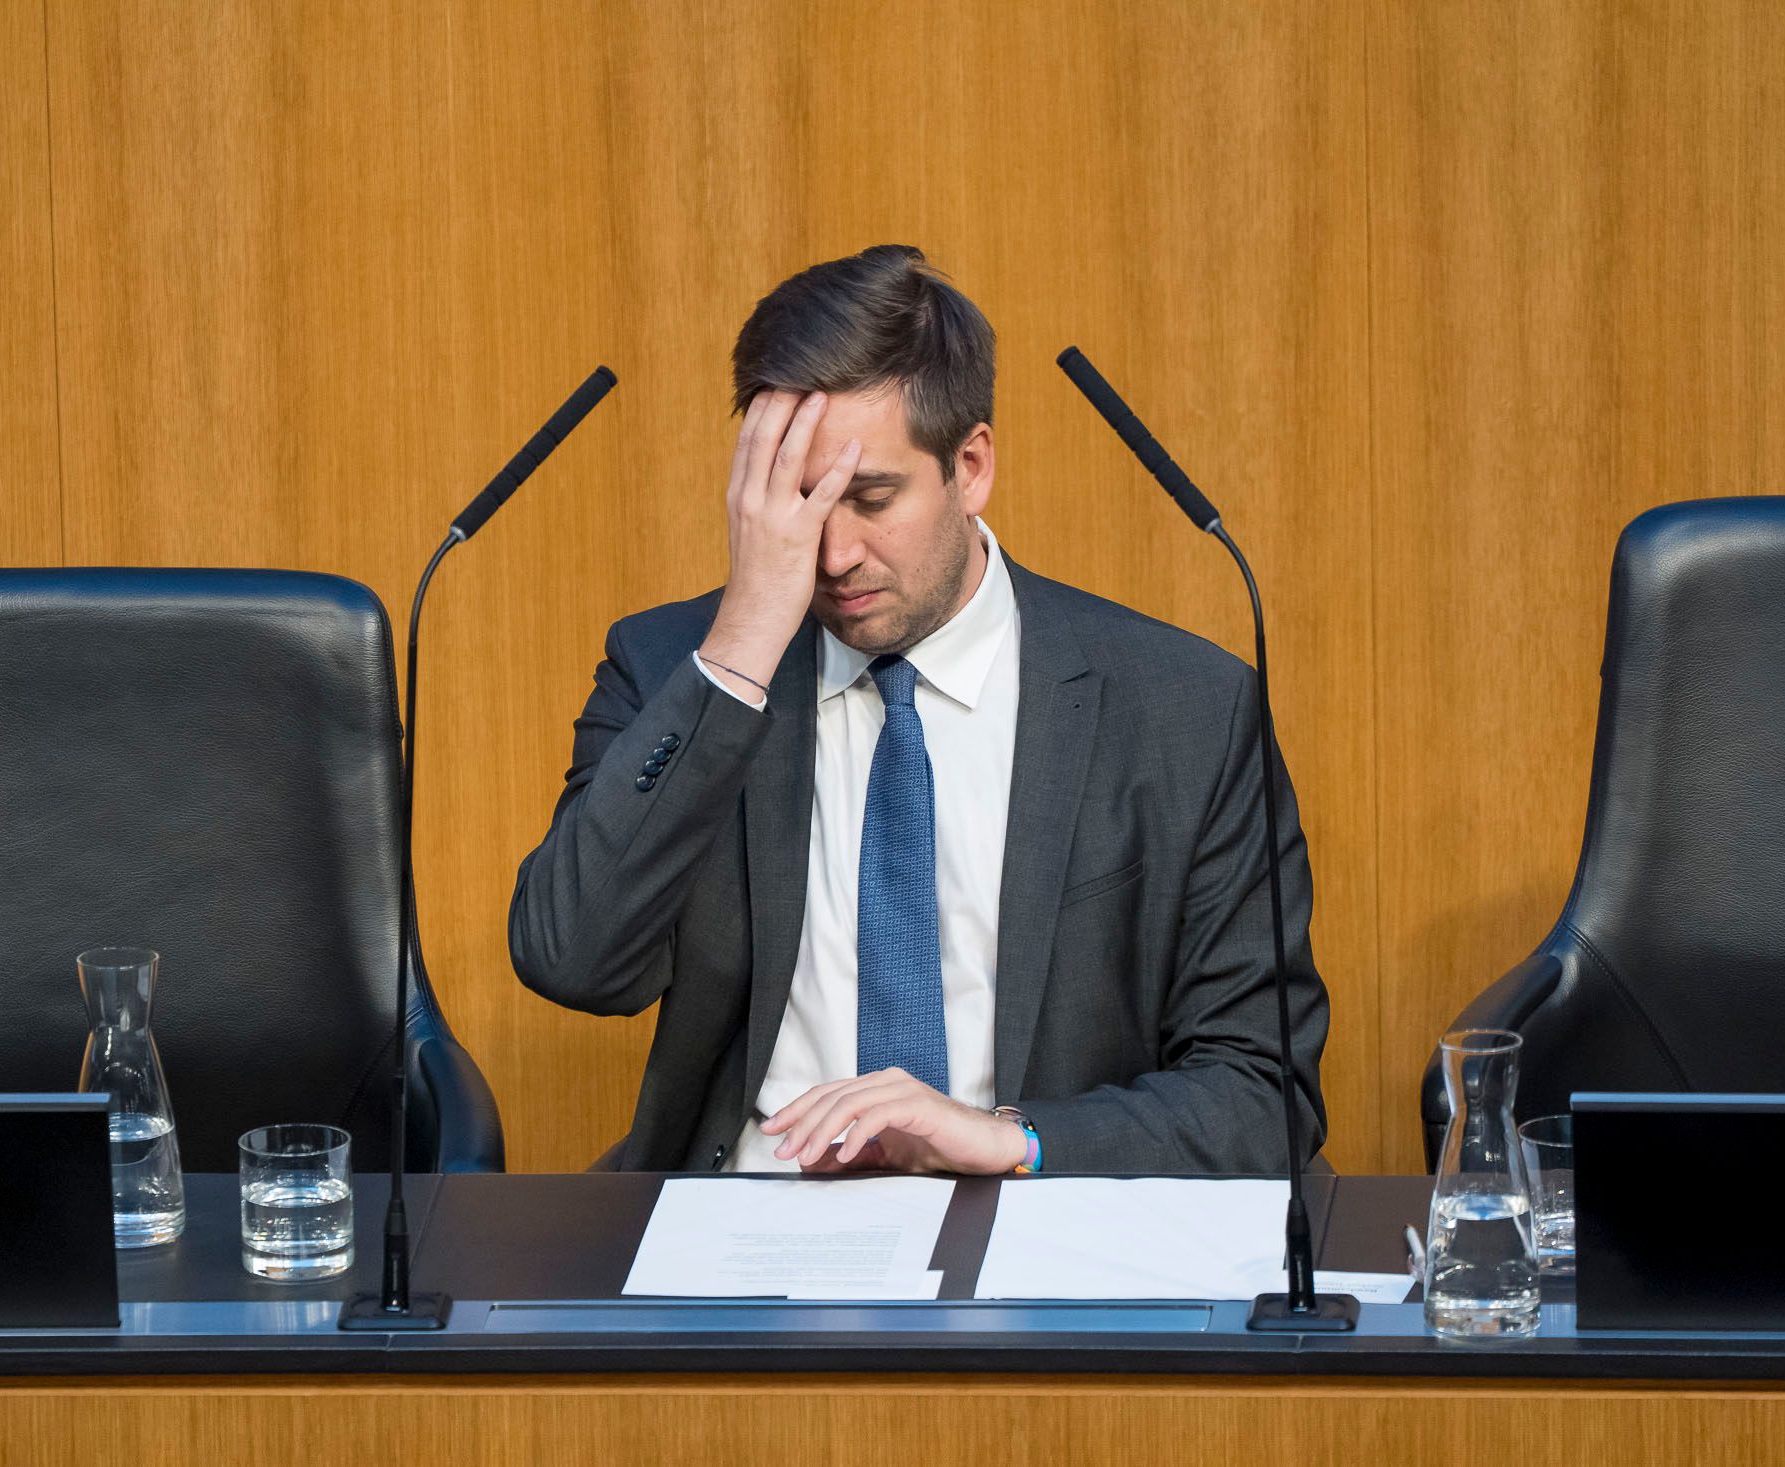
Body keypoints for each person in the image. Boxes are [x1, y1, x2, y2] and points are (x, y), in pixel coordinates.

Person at [509, 244, 1328, 1175]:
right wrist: (738, 651)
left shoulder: (1185, 710)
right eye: (798, 505)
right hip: (748, 1239)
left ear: (970, 467)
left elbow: (1264, 1096)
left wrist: (1014, 1139)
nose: (832, 553)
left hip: (1037, 1232)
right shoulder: (678, 671)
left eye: (871, 497)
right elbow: (570, 960)